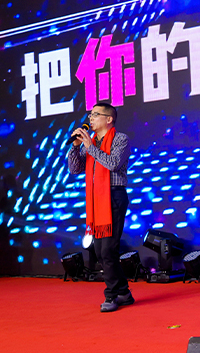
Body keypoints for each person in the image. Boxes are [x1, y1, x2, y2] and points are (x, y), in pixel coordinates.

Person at [67, 102, 133, 312]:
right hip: (96, 199)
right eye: (90, 115)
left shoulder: (120, 139)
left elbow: (113, 163)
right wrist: (75, 146)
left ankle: (111, 295)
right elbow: (74, 169)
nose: (90, 118)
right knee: (99, 250)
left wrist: (90, 148)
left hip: (113, 196)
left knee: (108, 250)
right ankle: (124, 293)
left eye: (95, 115)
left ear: (109, 119)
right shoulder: (92, 142)